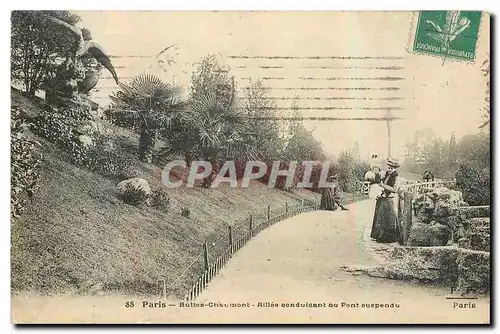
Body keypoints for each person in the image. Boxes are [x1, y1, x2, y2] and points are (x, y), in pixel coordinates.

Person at [370, 157, 405, 243]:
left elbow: (394, 189)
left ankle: (389, 237)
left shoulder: (396, 177)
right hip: (383, 197)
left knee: (388, 217)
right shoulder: (385, 174)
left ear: (395, 168)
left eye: (391, 168)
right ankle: (380, 236)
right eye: (388, 168)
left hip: (390, 199)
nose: (389, 169)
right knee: (380, 217)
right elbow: (378, 180)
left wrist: (382, 185)